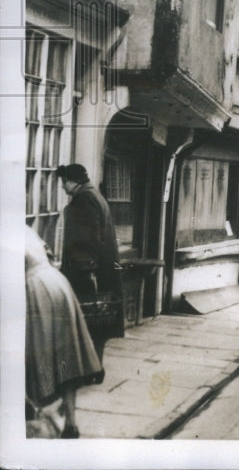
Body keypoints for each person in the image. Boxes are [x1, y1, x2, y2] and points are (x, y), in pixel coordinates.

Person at [25, 225, 103, 438]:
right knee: (67, 359)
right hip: (57, 282)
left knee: (38, 356)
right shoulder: (26, 229)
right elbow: (48, 253)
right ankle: (70, 423)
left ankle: (39, 418)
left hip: (35, 289)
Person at [56, 164, 125, 362]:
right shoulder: (93, 195)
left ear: (74, 181)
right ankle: (95, 366)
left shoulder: (84, 199)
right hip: (97, 271)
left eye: (64, 182)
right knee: (96, 322)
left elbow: (89, 239)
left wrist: (86, 271)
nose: (63, 187)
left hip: (86, 274)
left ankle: (91, 367)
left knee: (88, 320)